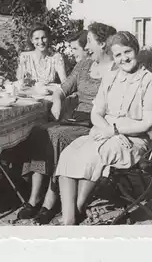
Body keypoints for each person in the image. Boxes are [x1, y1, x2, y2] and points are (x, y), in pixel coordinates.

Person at [55, 31, 152, 225]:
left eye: (127, 51)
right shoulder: (110, 77)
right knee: (69, 153)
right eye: (118, 55)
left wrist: (116, 131)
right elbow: (95, 113)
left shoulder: (150, 80)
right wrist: (109, 130)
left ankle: (74, 215)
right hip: (104, 132)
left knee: (95, 155)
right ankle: (69, 216)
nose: (124, 58)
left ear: (136, 50)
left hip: (133, 139)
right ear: (113, 57)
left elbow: (148, 123)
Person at [17, 22, 117, 224]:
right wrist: (57, 100)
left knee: (56, 136)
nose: (86, 46)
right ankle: (34, 197)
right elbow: (63, 88)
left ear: (103, 43)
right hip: (76, 119)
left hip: (95, 125)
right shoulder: (84, 65)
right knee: (39, 131)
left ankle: (49, 202)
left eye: (89, 41)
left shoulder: (116, 69)